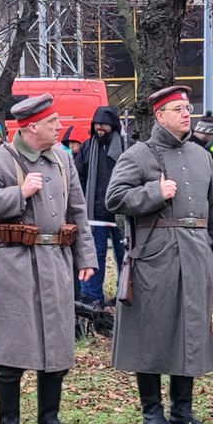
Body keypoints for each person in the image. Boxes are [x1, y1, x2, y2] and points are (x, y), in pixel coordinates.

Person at [0, 94, 97, 424]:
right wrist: (19, 192)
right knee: (12, 345)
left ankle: (49, 420)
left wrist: (87, 258)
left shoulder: (62, 160)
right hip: (14, 262)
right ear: (31, 127)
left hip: (56, 260)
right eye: (52, 122)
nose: (59, 127)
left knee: (56, 344)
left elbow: (78, 212)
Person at [105, 85, 213, 424]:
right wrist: (153, 193)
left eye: (187, 108)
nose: (186, 113)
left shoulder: (200, 155)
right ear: (160, 116)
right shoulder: (138, 155)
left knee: (191, 328)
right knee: (152, 330)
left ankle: (182, 410)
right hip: (155, 254)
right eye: (178, 109)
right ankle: (152, 411)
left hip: (196, 252)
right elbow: (114, 198)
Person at [75, 106, 128, 308]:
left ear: (112, 126)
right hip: (94, 212)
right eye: (97, 124)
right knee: (94, 256)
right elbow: (78, 175)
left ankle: (124, 293)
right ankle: (92, 297)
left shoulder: (125, 147)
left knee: (124, 256)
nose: (100, 128)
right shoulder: (87, 147)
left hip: (120, 213)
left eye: (104, 124)